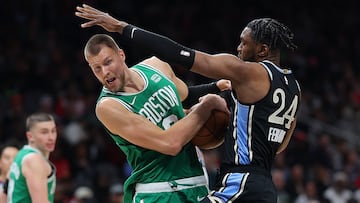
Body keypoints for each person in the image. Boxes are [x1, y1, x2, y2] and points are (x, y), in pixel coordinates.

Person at [75, 4, 301, 203]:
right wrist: (216, 91)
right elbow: (279, 144)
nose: (239, 49)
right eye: (97, 68)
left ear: (262, 50)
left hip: (238, 184)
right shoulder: (293, 86)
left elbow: (180, 54)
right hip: (258, 186)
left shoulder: (247, 72)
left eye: (244, 44)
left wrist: (121, 27)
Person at [77, 33, 229, 203]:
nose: (104, 72)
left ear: (121, 55)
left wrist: (216, 87)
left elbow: (185, 96)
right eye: (96, 68)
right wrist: (208, 105)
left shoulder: (156, 65)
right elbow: (170, 144)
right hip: (159, 192)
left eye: (108, 62)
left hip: (197, 182)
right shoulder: (109, 106)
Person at [7, 112, 57, 203]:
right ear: (30, 136)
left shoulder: (21, 154)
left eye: (53, 131)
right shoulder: (34, 160)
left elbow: (4, 192)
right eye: (44, 132)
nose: (51, 137)